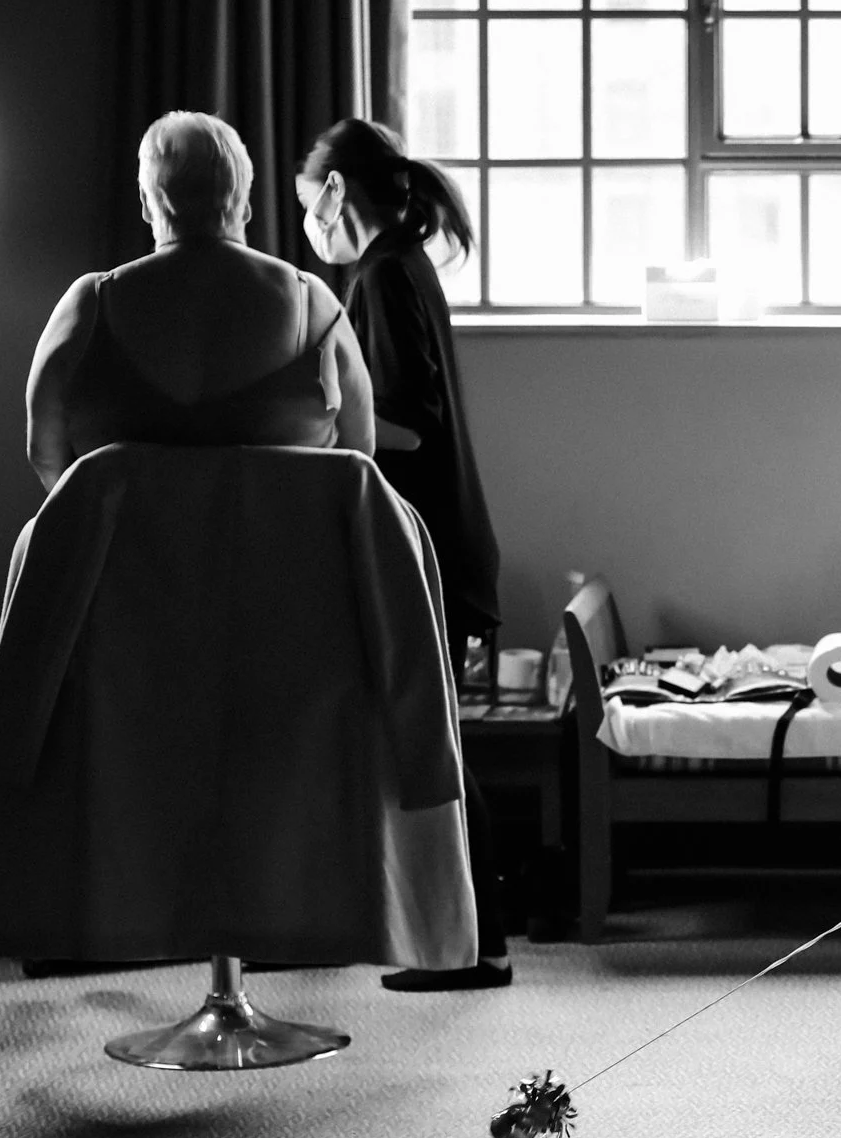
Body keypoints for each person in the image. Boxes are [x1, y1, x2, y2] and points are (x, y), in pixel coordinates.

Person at [297, 119, 511, 992]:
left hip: (432, 545)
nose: (310, 223)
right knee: (429, 744)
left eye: (312, 205)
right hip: (447, 540)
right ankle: (459, 935)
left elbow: (410, 429)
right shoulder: (400, 266)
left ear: (340, 193)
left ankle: (479, 943)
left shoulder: (384, 277)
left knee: (437, 751)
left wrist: (322, 411)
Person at [26, 112, 375, 489]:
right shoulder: (315, 306)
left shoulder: (87, 308)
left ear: (146, 202)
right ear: (245, 205)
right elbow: (360, 455)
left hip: (128, 547)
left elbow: (44, 455)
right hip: (286, 546)